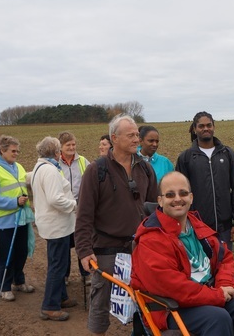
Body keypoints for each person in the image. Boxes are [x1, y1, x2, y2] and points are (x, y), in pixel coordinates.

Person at [131, 171, 234, 335]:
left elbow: (224, 257)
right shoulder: (152, 239)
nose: (177, 199)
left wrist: (224, 284)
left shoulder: (197, 225)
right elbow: (174, 288)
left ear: (191, 197)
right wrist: (217, 295)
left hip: (206, 294)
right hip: (170, 307)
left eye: (183, 193)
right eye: (170, 195)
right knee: (218, 318)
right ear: (160, 201)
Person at [75, 114, 158, 335]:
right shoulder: (96, 170)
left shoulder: (146, 169)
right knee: (101, 301)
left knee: (144, 301)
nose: (136, 139)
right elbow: (84, 214)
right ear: (114, 138)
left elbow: (153, 211)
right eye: (130, 135)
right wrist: (84, 251)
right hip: (105, 250)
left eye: (137, 135)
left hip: (138, 249)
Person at [175, 111, 234, 250]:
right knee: (201, 269)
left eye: (209, 125)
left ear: (214, 127)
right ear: (195, 129)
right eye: (201, 126)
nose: (205, 128)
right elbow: (180, 195)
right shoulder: (186, 158)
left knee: (224, 267)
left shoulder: (227, 154)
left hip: (224, 229)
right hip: (196, 228)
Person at [0, 135, 35, 302]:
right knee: (7, 255)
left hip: (21, 218)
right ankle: (4, 287)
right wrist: (14, 202)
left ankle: (19, 281)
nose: (16, 154)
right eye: (13, 151)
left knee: (21, 252)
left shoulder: (18, 167)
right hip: (4, 220)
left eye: (17, 151)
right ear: (2, 151)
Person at [30, 137, 78, 321]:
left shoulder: (41, 167)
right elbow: (55, 199)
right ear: (56, 152)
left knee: (59, 263)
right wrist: (74, 205)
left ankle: (61, 296)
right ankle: (50, 306)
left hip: (55, 224)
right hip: (56, 225)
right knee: (57, 266)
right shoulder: (50, 170)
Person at [58, 131, 91, 285]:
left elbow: (92, 179)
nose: (72, 147)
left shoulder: (83, 161)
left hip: (81, 208)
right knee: (64, 245)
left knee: (82, 241)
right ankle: (64, 276)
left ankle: (86, 274)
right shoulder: (55, 163)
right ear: (60, 147)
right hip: (63, 210)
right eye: (68, 145)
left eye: (73, 144)